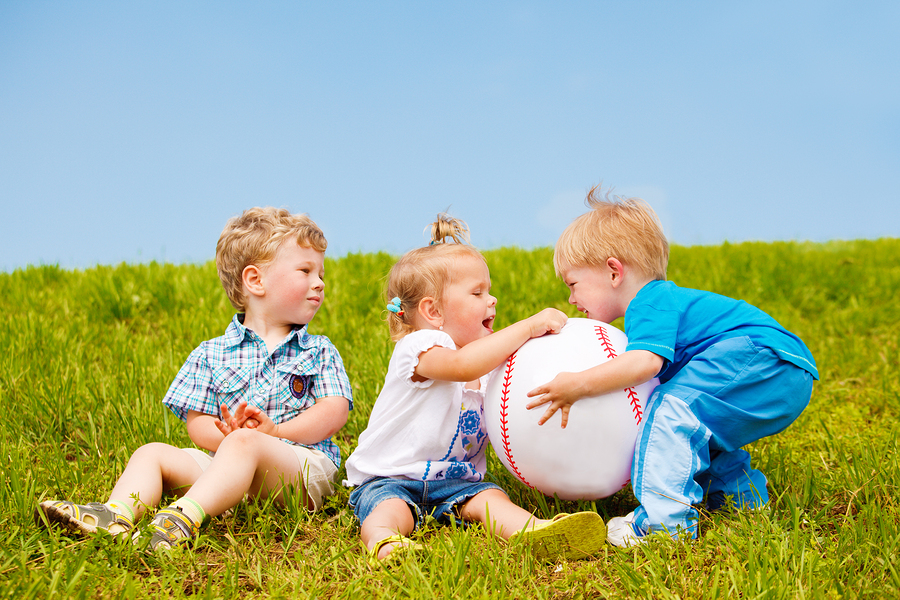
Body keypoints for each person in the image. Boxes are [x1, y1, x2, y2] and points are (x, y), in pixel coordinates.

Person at [36, 207, 353, 551]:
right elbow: (197, 422)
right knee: (152, 452)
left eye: (321, 273)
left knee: (244, 444)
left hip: (300, 470)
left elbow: (334, 411)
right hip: (227, 470)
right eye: (305, 270)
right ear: (255, 280)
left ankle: (181, 519)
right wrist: (227, 438)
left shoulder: (318, 349)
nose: (319, 282)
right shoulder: (210, 353)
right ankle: (116, 514)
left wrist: (275, 433)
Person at [526, 186, 818, 547]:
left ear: (614, 272)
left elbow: (644, 363)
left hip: (757, 356)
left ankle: (664, 526)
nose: (571, 299)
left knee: (669, 412)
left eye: (573, 284)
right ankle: (742, 503)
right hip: (787, 369)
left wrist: (577, 385)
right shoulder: (661, 302)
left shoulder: (649, 301)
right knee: (701, 432)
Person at [344, 214, 608, 561]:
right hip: (391, 477)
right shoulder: (420, 347)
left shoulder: (491, 368)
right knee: (389, 509)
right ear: (433, 311)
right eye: (477, 292)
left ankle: (534, 531)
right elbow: (461, 365)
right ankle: (385, 540)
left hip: (460, 482)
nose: (492, 299)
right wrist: (527, 326)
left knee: (491, 499)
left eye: (489, 289)